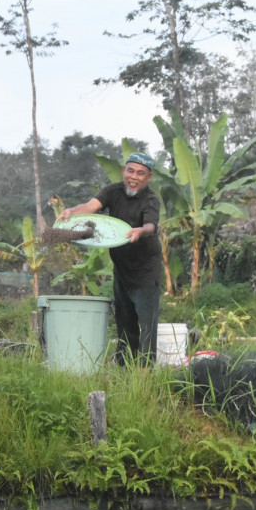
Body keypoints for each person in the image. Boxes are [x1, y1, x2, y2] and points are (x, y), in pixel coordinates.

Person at [59, 151, 164, 365]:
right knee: (125, 324)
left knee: (147, 327)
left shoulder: (151, 200)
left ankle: (146, 376)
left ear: (149, 177)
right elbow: (89, 207)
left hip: (146, 273)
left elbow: (151, 226)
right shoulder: (112, 191)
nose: (133, 177)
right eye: (130, 171)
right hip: (122, 270)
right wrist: (71, 210)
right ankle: (124, 370)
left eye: (140, 173)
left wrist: (139, 231)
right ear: (124, 170)